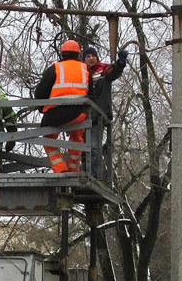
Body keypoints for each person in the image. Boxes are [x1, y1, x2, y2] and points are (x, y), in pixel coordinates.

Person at [33, 39, 89, 173]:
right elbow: (92, 93)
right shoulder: (85, 69)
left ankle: (60, 168)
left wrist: (42, 109)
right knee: (77, 139)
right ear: (78, 54)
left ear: (62, 53)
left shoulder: (55, 68)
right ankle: (73, 170)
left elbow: (40, 93)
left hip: (56, 114)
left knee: (48, 139)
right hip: (79, 114)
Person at [83, 44, 129, 179]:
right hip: (82, 116)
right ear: (84, 59)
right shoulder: (81, 73)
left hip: (98, 115)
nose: (91, 58)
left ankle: (94, 176)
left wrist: (120, 63)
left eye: (93, 56)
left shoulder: (103, 70)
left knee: (94, 147)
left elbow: (113, 72)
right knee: (82, 149)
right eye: (88, 56)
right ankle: (85, 173)